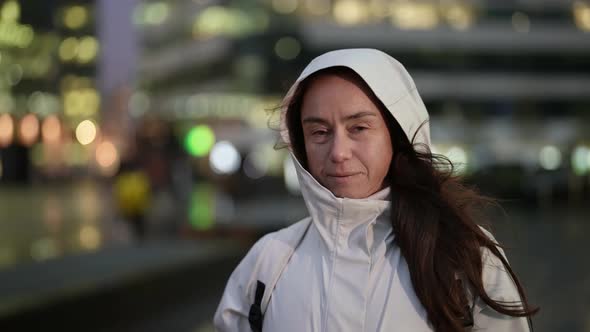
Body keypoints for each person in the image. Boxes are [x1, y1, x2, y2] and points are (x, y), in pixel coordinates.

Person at [214, 48, 538, 331]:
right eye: (320, 132)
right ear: (300, 144)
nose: (339, 152)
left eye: (359, 128)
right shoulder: (268, 262)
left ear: (397, 135)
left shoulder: (464, 255)